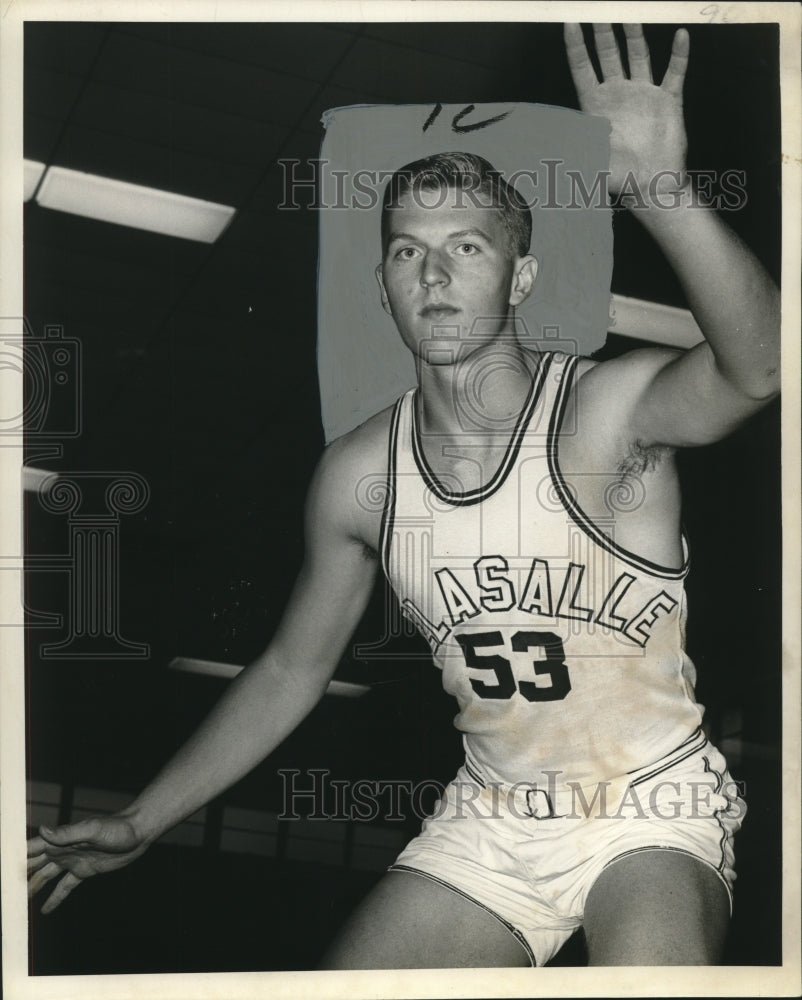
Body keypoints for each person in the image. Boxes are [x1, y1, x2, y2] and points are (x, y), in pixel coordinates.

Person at [27, 23, 779, 967]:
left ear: (523, 276)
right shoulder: (356, 475)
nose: (435, 273)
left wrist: (663, 193)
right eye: (407, 252)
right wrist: (144, 818)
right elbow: (292, 670)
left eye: (468, 246)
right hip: (492, 817)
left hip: (651, 804)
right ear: (383, 284)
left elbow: (759, 369)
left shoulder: (603, 411)